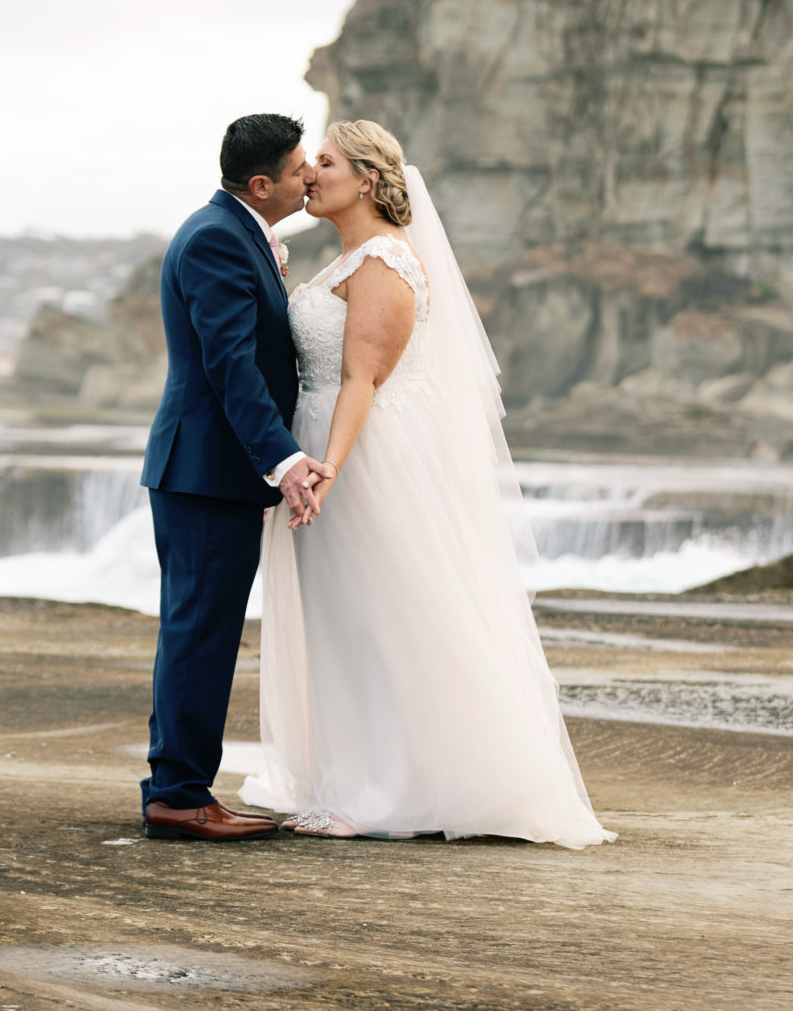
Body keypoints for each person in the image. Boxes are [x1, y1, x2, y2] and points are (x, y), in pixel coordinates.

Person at [243, 119, 615, 848]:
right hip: (325, 444)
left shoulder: (383, 258)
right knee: (346, 619)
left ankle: (385, 794)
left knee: (379, 617)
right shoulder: (342, 258)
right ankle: (355, 776)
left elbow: (363, 377)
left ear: (369, 181)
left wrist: (330, 467)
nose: (311, 173)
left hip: (364, 453)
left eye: (325, 162)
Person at [137, 113, 334, 841]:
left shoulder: (235, 229)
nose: (307, 175)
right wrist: (283, 461)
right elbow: (231, 365)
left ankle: (177, 783)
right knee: (200, 632)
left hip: (207, 470)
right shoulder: (219, 236)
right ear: (261, 184)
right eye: (295, 170)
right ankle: (180, 795)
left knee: (197, 629)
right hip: (206, 470)